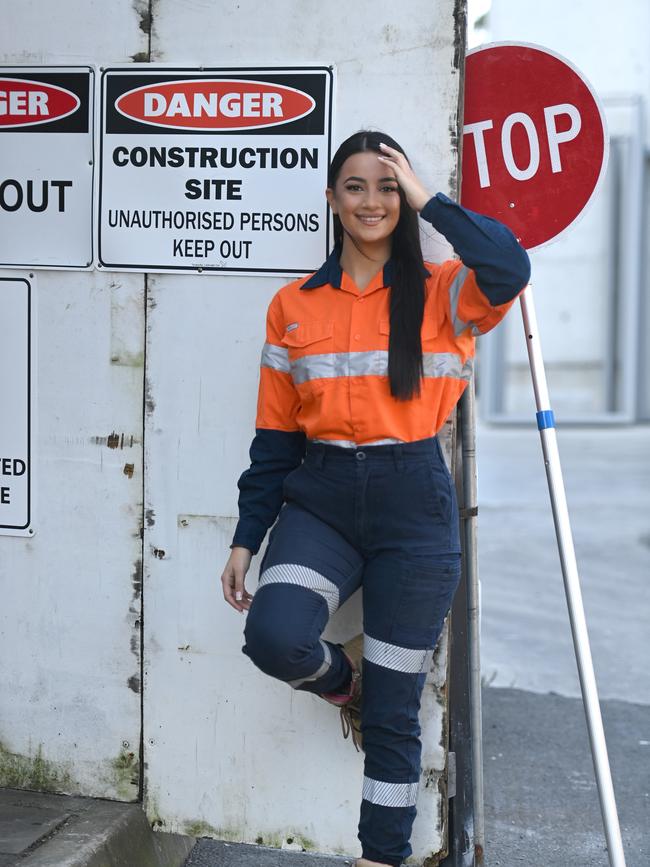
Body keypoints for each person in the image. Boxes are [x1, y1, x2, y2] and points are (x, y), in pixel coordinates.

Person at [220, 130, 530, 867]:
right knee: (274, 635)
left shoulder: (450, 290)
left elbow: (510, 264)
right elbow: (274, 440)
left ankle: (380, 857)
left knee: (397, 714)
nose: (372, 200)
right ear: (332, 199)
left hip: (414, 505)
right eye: (355, 185)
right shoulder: (293, 305)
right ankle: (345, 680)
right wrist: (245, 535)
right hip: (321, 499)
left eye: (387, 185)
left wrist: (429, 199)